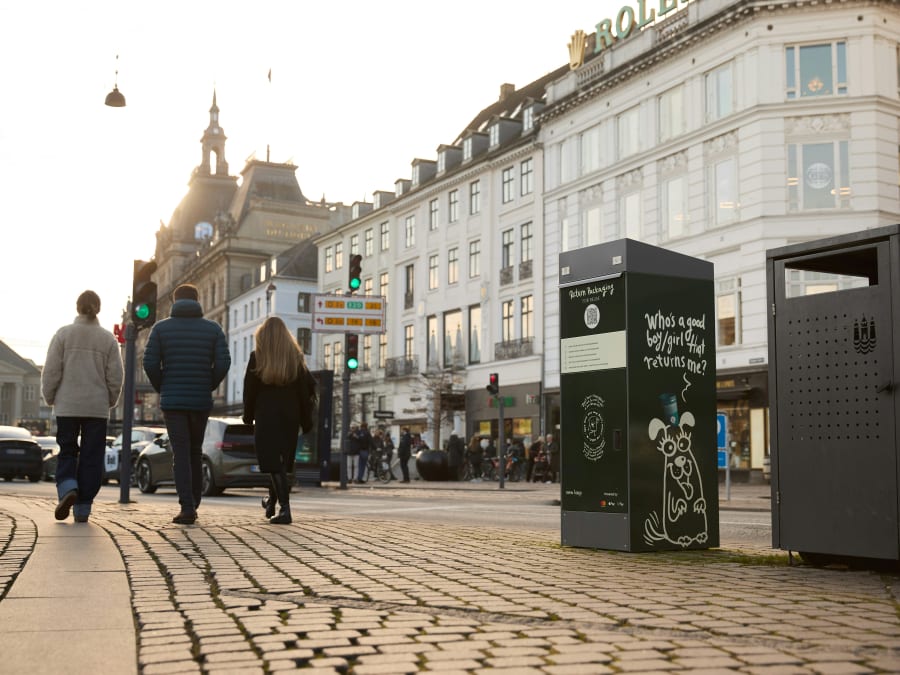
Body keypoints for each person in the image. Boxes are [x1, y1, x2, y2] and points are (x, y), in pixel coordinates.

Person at [144, 284, 230, 525]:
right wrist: (208, 384)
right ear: (197, 300)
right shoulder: (213, 329)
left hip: (173, 402)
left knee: (180, 453)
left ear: (174, 301)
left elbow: (149, 363)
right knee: (195, 450)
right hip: (201, 400)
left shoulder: (160, 329)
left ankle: (187, 507)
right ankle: (194, 500)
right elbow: (224, 362)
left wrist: (164, 386)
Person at [41, 291, 124, 524]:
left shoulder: (63, 335)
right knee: (92, 456)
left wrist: (50, 397)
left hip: (67, 405)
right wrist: (110, 400)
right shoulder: (107, 339)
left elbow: (51, 372)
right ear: (98, 308)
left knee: (67, 449)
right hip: (96, 408)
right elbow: (116, 376)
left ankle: (68, 486)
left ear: (77, 308)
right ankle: (83, 508)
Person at [242, 316, 316, 525]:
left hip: (266, 417)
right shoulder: (295, 358)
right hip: (290, 417)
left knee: (272, 463)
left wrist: (248, 417)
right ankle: (271, 502)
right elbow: (305, 391)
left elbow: (250, 391)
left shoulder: (257, 357)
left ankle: (285, 509)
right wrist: (305, 419)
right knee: (280, 463)